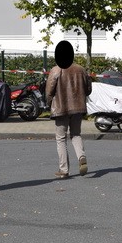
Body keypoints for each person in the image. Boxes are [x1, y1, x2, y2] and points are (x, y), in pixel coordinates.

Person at [45, 40, 92, 179]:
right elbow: (88, 89)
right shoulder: (81, 70)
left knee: (60, 138)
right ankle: (81, 156)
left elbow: (49, 91)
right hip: (78, 108)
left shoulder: (55, 70)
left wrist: (49, 104)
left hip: (61, 109)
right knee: (76, 134)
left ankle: (64, 169)